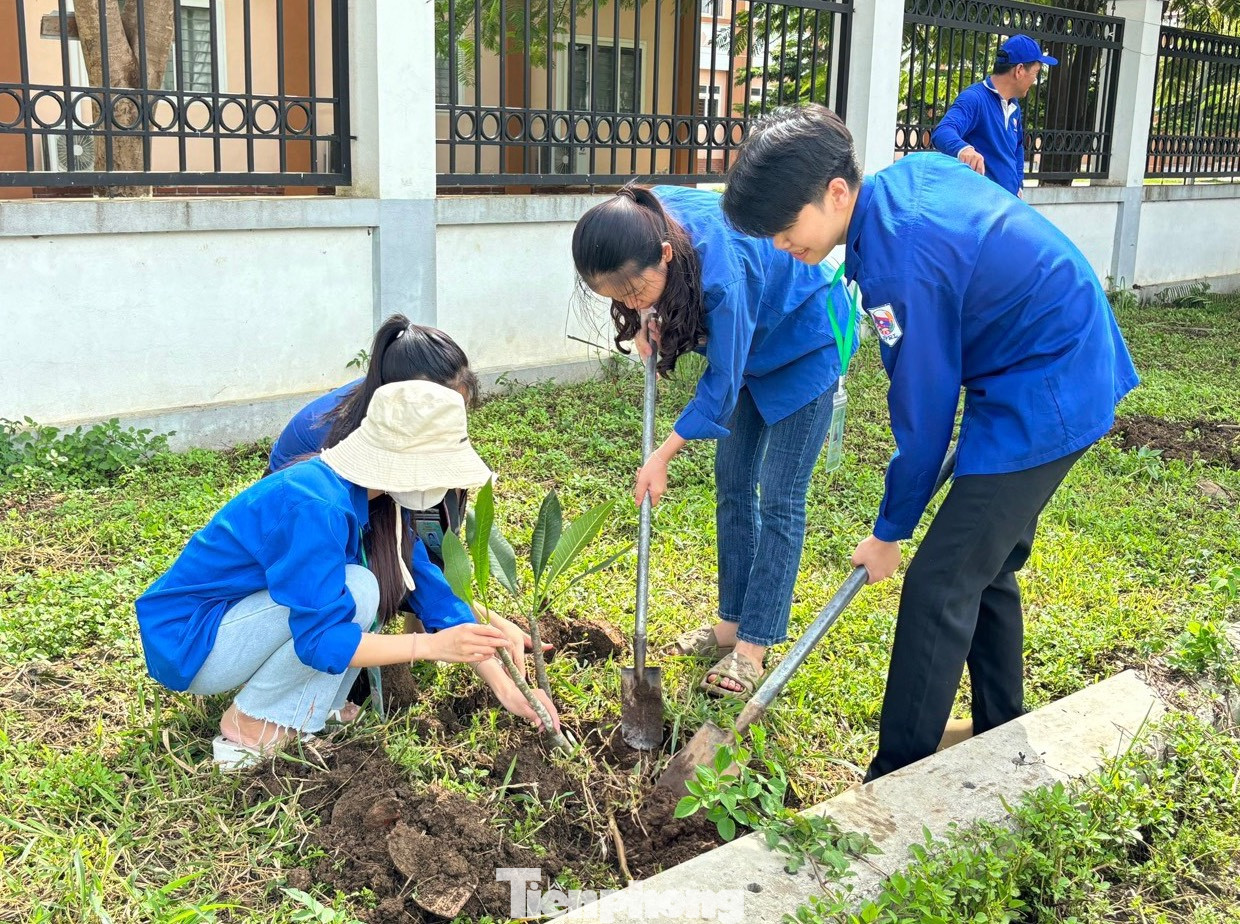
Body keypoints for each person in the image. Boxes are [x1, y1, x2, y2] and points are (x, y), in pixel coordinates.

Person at [720, 104, 1138, 779]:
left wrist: (890, 531)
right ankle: (1003, 722)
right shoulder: (900, 185)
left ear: (834, 193)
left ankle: (897, 775)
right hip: (1034, 364)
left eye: (784, 227)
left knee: (939, 583)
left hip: (1047, 382)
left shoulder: (899, 262)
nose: (778, 246)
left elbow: (924, 408)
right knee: (986, 562)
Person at [136, 381, 559, 770]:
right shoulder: (314, 505)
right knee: (355, 589)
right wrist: (429, 646)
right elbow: (320, 639)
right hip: (194, 642)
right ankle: (249, 727)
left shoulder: (376, 501)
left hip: (235, 624)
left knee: (359, 586)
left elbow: (435, 596)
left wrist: (509, 690)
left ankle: (313, 709)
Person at [572, 184, 857, 700]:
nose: (630, 304)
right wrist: (646, 317)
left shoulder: (724, 270)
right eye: (618, 298)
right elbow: (684, 315)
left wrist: (661, 456)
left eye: (635, 292)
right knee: (732, 479)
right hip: (754, 348)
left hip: (807, 342)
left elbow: (721, 387)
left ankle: (753, 646)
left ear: (664, 254)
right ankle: (731, 624)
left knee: (779, 496)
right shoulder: (642, 216)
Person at [268, 315, 544, 692]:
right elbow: (376, 550)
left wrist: (474, 625)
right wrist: (463, 629)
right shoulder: (331, 449)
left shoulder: (402, 441)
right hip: (308, 549)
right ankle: (371, 650)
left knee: (440, 508)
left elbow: (408, 545)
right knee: (361, 583)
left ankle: (422, 619)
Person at [930, 34, 1058, 198]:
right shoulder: (975, 99)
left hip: (1005, 207)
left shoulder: (1013, 106)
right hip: (980, 210)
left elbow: (1017, 147)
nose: (1035, 80)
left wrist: (1018, 185)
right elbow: (943, 132)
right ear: (1019, 70)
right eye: (1036, 73)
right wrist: (964, 149)